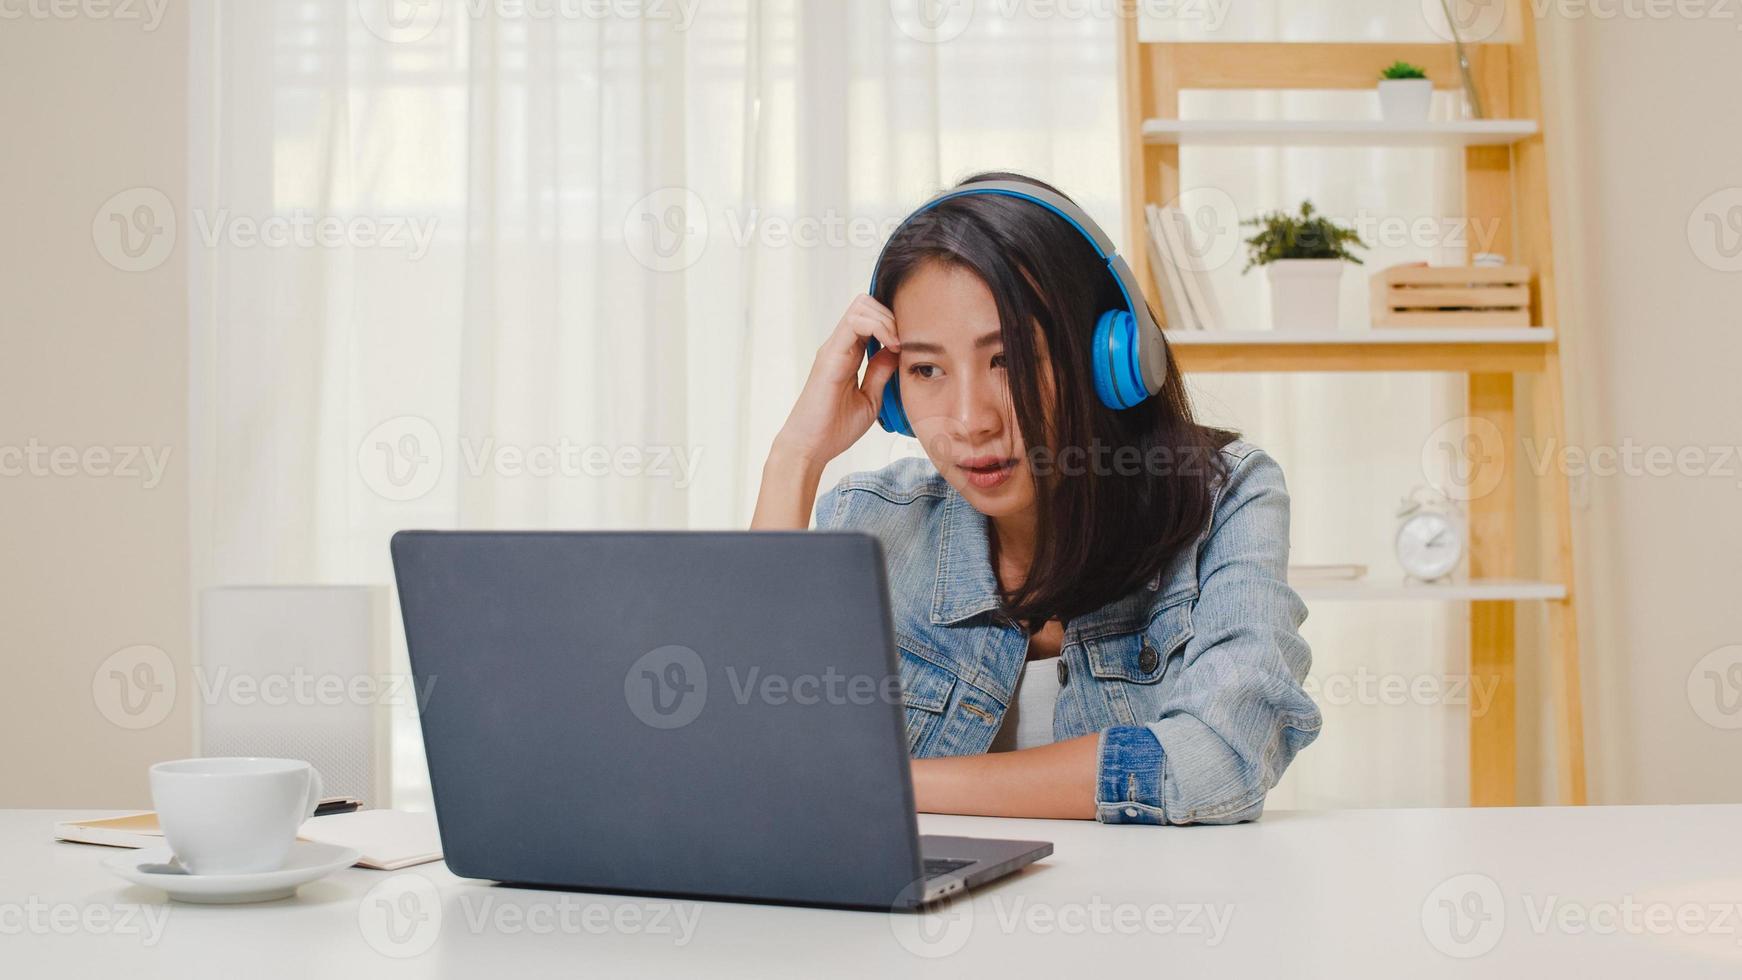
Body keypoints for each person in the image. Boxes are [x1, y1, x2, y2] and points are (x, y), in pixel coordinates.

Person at [751, 172, 1320, 825]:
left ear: (1110, 358)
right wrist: (795, 456)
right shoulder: (874, 520)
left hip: (1156, 919)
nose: (971, 420)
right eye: (927, 370)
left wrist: (884, 783)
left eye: (1012, 359)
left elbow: (1221, 758)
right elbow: (754, 753)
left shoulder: (1227, 500)